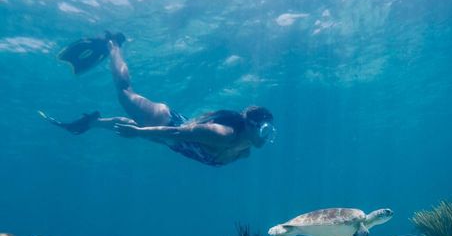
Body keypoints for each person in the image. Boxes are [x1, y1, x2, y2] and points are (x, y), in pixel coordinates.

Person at [40, 33, 275, 167]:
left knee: (134, 126)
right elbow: (177, 133)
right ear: (251, 126)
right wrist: (140, 134)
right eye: (265, 130)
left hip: (170, 139)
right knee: (125, 93)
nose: (267, 136)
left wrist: (142, 133)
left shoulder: (245, 148)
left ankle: (91, 122)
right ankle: (112, 44)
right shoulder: (222, 134)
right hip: (165, 121)